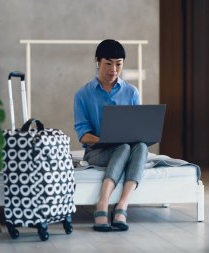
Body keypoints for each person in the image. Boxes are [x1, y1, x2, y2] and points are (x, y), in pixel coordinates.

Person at [73, 39, 148, 232]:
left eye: (119, 64)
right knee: (122, 146)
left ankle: (122, 204)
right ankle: (103, 203)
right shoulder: (82, 94)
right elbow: (83, 135)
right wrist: (106, 139)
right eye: (109, 63)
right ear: (98, 62)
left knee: (141, 147)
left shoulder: (132, 92)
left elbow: (138, 127)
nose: (114, 69)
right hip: (97, 151)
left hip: (125, 147)